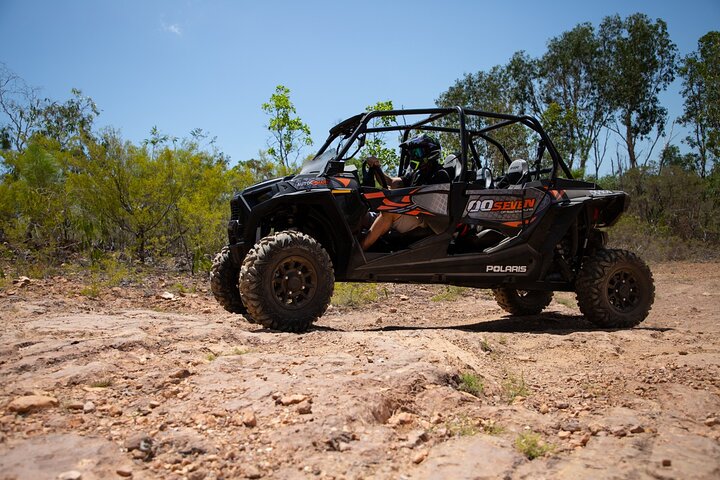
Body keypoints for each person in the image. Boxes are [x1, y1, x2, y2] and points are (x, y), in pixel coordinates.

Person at [361, 134, 450, 250]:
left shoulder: (439, 175)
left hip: (427, 221)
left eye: (417, 152)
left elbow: (431, 207)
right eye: (412, 153)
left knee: (389, 211)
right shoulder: (417, 173)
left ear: (430, 152)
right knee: (362, 214)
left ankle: (360, 251)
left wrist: (395, 201)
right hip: (411, 213)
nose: (413, 156)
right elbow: (391, 182)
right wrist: (377, 168)